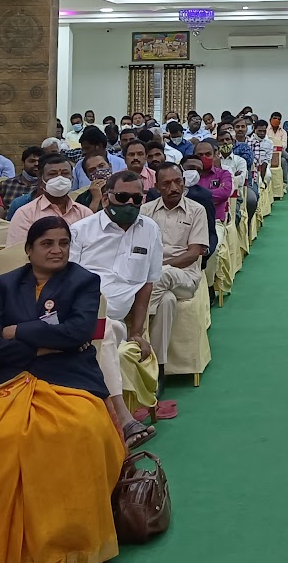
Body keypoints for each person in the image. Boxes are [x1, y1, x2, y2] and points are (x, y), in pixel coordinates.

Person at [0, 216, 125, 563]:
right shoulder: (7, 284)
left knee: (71, 432)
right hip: (8, 378)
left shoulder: (84, 281)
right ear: (29, 250)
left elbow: (78, 333)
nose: (57, 250)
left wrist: (16, 331)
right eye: (47, 243)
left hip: (69, 376)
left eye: (63, 243)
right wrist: (43, 346)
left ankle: (60, 543)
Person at [70, 171, 164, 443]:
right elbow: (66, 284)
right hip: (81, 316)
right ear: (106, 197)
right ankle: (122, 421)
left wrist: (137, 332)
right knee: (105, 332)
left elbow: (146, 285)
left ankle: (114, 427)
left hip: (118, 321)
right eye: (122, 197)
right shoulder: (81, 231)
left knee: (110, 330)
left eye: (137, 198)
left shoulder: (150, 230)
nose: (130, 204)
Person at [142, 160, 213, 366]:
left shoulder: (196, 210)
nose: (173, 188)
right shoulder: (145, 211)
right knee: (167, 301)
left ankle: (137, 328)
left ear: (183, 182)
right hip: (153, 278)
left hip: (185, 276)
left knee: (163, 274)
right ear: (157, 186)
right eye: (166, 184)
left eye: (178, 181)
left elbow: (193, 253)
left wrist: (160, 267)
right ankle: (158, 365)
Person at [6, 152, 92, 244]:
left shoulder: (84, 213)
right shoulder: (25, 214)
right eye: (52, 174)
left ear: (72, 178)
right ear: (41, 179)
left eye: (65, 173)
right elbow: (17, 250)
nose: (59, 178)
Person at [0, 142, 43, 209]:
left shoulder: (45, 188)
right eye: (32, 161)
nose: (36, 164)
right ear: (23, 163)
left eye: (40, 162)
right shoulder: (5, 185)